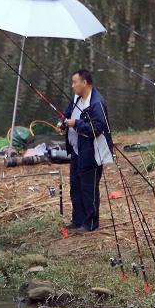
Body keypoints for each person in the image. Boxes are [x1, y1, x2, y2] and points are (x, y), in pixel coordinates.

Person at [59, 69, 114, 232]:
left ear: (84, 83)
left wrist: (76, 124)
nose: (72, 85)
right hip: (76, 151)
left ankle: (90, 223)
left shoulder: (97, 103)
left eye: (75, 82)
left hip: (91, 153)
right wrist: (62, 122)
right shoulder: (76, 98)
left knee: (89, 188)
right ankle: (78, 220)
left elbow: (97, 128)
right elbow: (66, 114)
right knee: (75, 186)